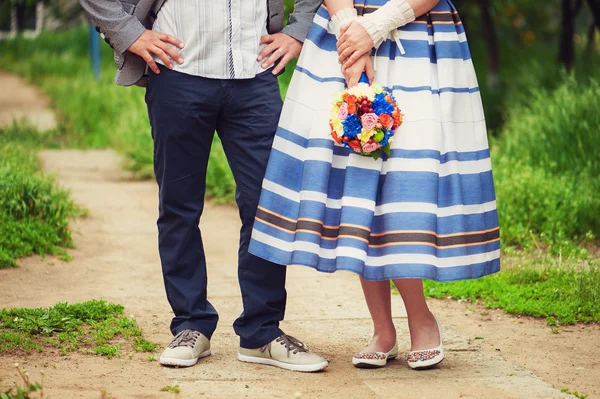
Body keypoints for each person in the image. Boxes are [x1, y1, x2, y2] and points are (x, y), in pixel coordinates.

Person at [79, 0, 329, 372]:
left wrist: (299, 31)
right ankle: (191, 325)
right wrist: (128, 33)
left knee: (266, 205)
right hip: (178, 72)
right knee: (179, 205)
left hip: (255, 73)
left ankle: (261, 331)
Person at [249, 0, 501, 369]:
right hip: (343, 30)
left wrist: (379, 25)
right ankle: (382, 329)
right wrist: (352, 31)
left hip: (415, 31)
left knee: (403, 187)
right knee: (358, 183)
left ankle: (421, 320)